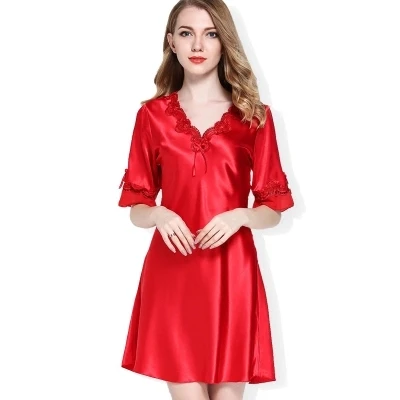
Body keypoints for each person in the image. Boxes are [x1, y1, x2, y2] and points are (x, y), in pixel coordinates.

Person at [117, 0, 294, 399]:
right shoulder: (152, 117)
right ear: (172, 43)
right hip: (173, 273)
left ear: (224, 42)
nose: (198, 44)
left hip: (232, 275)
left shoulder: (254, 117)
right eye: (187, 33)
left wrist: (240, 216)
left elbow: (273, 209)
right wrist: (158, 213)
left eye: (210, 34)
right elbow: (136, 207)